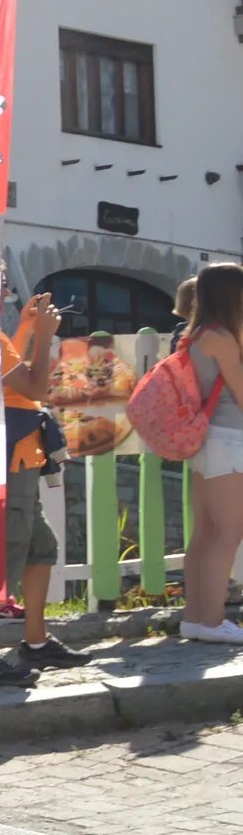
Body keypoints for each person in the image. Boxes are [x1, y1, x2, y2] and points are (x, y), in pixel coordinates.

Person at [0, 286, 87, 685]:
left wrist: (28, 328)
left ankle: (34, 640)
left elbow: (8, 377)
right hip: (8, 458)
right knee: (1, 554)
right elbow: (33, 388)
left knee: (38, 548)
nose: (6, 293)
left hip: (16, 456)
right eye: (1, 285)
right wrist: (46, 336)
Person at [177, 262, 243, 642]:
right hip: (229, 440)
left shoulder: (198, 333)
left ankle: (196, 618)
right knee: (229, 533)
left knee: (205, 532)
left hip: (207, 442)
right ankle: (214, 620)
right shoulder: (223, 337)